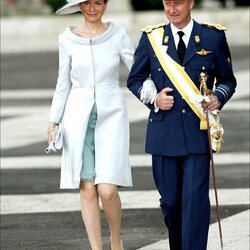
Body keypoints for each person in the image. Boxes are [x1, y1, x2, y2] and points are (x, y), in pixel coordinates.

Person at [127, 0, 237, 249]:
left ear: (190, 3)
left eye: (178, 3)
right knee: (171, 203)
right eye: (168, 3)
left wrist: (217, 96)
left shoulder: (212, 37)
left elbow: (228, 80)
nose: (172, 9)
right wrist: (154, 98)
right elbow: (135, 79)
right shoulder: (152, 38)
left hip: (197, 134)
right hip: (163, 133)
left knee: (194, 201)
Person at [47, 1, 134, 249]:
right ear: (79, 7)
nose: (92, 8)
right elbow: (62, 83)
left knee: (107, 189)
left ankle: (116, 240)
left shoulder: (117, 35)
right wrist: (53, 120)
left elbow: (137, 70)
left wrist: (153, 94)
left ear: (106, 5)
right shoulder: (67, 39)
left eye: (98, 2)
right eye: (86, 3)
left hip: (112, 116)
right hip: (77, 119)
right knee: (87, 188)